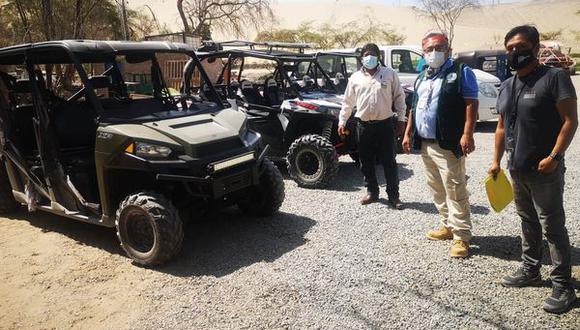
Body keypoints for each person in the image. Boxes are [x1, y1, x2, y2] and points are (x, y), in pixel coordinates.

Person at [489, 25, 578, 314]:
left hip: (545, 170)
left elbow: (570, 121)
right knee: (527, 221)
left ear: (536, 47)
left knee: (551, 225)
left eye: (520, 47)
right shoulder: (506, 85)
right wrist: (495, 161)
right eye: (510, 48)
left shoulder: (555, 78)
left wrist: (554, 155)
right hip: (517, 168)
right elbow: (502, 127)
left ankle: (563, 284)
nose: (515, 52)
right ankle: (530, 270)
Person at [402, 31, 479, 258]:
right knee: (436, 188)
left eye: (439, 48)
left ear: (448, 50)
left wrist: (468, 134)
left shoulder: (461, 72)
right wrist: (407, 134)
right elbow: (413, 108)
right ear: (423, 52)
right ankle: (447, 226)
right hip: (426, 143)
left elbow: (471, 103)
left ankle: (461, 237)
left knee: (455, 189)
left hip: (448, 144)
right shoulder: (422, 76)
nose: (433, 53)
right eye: (428, 49)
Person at [338, 43, 407, 208]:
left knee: (389, 161)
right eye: (367, 54)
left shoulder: (389, 74)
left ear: (379, 57)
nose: (370, 57)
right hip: (363, 126)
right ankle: (372, 192)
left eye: (373, 54)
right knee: (366, 161)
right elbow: (347, 102)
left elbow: (399, 97)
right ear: (362, 58)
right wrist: (342, 121)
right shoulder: (355, 78)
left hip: (385, 125)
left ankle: (394, 196)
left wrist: (401, 119)